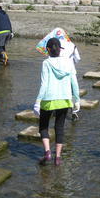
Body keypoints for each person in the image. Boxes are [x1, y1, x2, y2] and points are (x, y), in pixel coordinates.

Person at [33, 38, 80, 166]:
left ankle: (47, 153)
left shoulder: (46, 63)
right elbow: (74, 83)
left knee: (43, 126)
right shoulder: (69, 63)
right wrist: (76, 100)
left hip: (48, 99)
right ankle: (58, 158)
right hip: (64, 100)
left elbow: (44, 84)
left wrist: (37, 102)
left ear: (47, 50)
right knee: (59, 127)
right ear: (60, 49)